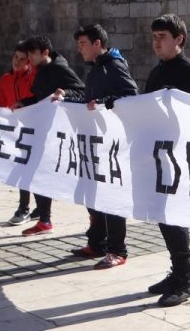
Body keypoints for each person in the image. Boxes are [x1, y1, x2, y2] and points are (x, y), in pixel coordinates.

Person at [140, 14, 190, 305]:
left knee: (174, 215)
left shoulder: (186, 70)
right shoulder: (159, 70)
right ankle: (177, 271)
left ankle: (186, 278)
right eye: (154, 36)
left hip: (178, 155)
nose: (157, 42)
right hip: (160, 153)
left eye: (162, 37)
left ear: (179, 39)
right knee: (163, 214)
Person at [55, 23, 138, 269]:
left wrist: (103, 102)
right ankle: (97, 243)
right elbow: (87, 98)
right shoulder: (96, 69)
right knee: (92, 195)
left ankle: (117, 250)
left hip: (112, 144)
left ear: (97, 44)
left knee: (111, 198)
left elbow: (130, 95)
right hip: (94, 142)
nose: (79, 49)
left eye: (82, 44)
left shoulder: (114, 66)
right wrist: (66, 98)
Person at [19, 35, 85, 237]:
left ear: (45, 53)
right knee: (34, 174)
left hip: (57, 132)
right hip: (41, 129)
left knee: (41, 174)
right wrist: (23, 103)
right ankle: (44, 219)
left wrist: (64, 94)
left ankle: (45, 219)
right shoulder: (41, 71)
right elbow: (40, 98)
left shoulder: (59, 68)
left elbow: (82, 91)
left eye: (32, 53)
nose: (29, 57)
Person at [0, 41, 37, 226]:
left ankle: (26, 209)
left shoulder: (34, 78)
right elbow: (0, 104)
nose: (17, 62)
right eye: (15, 57)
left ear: (29, 62)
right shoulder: (5, 79)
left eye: (22, 59)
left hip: (33, 129)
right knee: (21, 169)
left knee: (32, 170)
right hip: (14, 131)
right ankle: (27, 208)